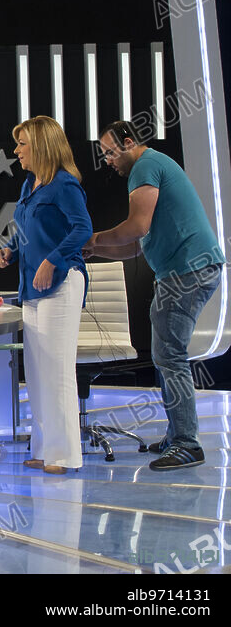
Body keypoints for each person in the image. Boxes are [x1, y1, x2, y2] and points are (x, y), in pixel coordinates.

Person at [84, 120, 225, 471]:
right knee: (167, 357)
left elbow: (136, 227)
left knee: (170, 358)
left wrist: (94, 238)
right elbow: (135, 247)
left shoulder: (145, 166)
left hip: (186, 272)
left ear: (129, 142)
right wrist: (95, 249)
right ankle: (179, 433)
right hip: (186, 271)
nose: (107, 160)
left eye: (110, 152)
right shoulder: (154, 165)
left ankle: (187, 443)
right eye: (103, 155)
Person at [0, 116, 92, 475]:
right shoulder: (29, 185)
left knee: (57, 371)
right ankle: (43, 448)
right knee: (36, 373)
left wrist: (53, 260)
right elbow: (24, 231)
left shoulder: (64, 185)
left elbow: (83, 228)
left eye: (22, 144)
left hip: (62, 285)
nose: (16, 150)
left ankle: (66, 455)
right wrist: (9, 250)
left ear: (42, 146)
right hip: (32, 290)